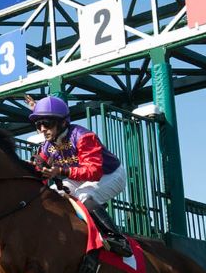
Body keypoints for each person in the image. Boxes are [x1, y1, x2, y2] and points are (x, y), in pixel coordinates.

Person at [28, 95, 132, 256]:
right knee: (52, 195)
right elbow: (38, 169)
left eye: (46, 123)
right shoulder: (47, 145)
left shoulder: (83, 137)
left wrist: (61, 171)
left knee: (84, 196)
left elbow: (94, 171)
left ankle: (117, 238)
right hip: (79, 177)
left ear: (62, 122)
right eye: (38, 124)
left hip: (110, 174)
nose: (42, 129)